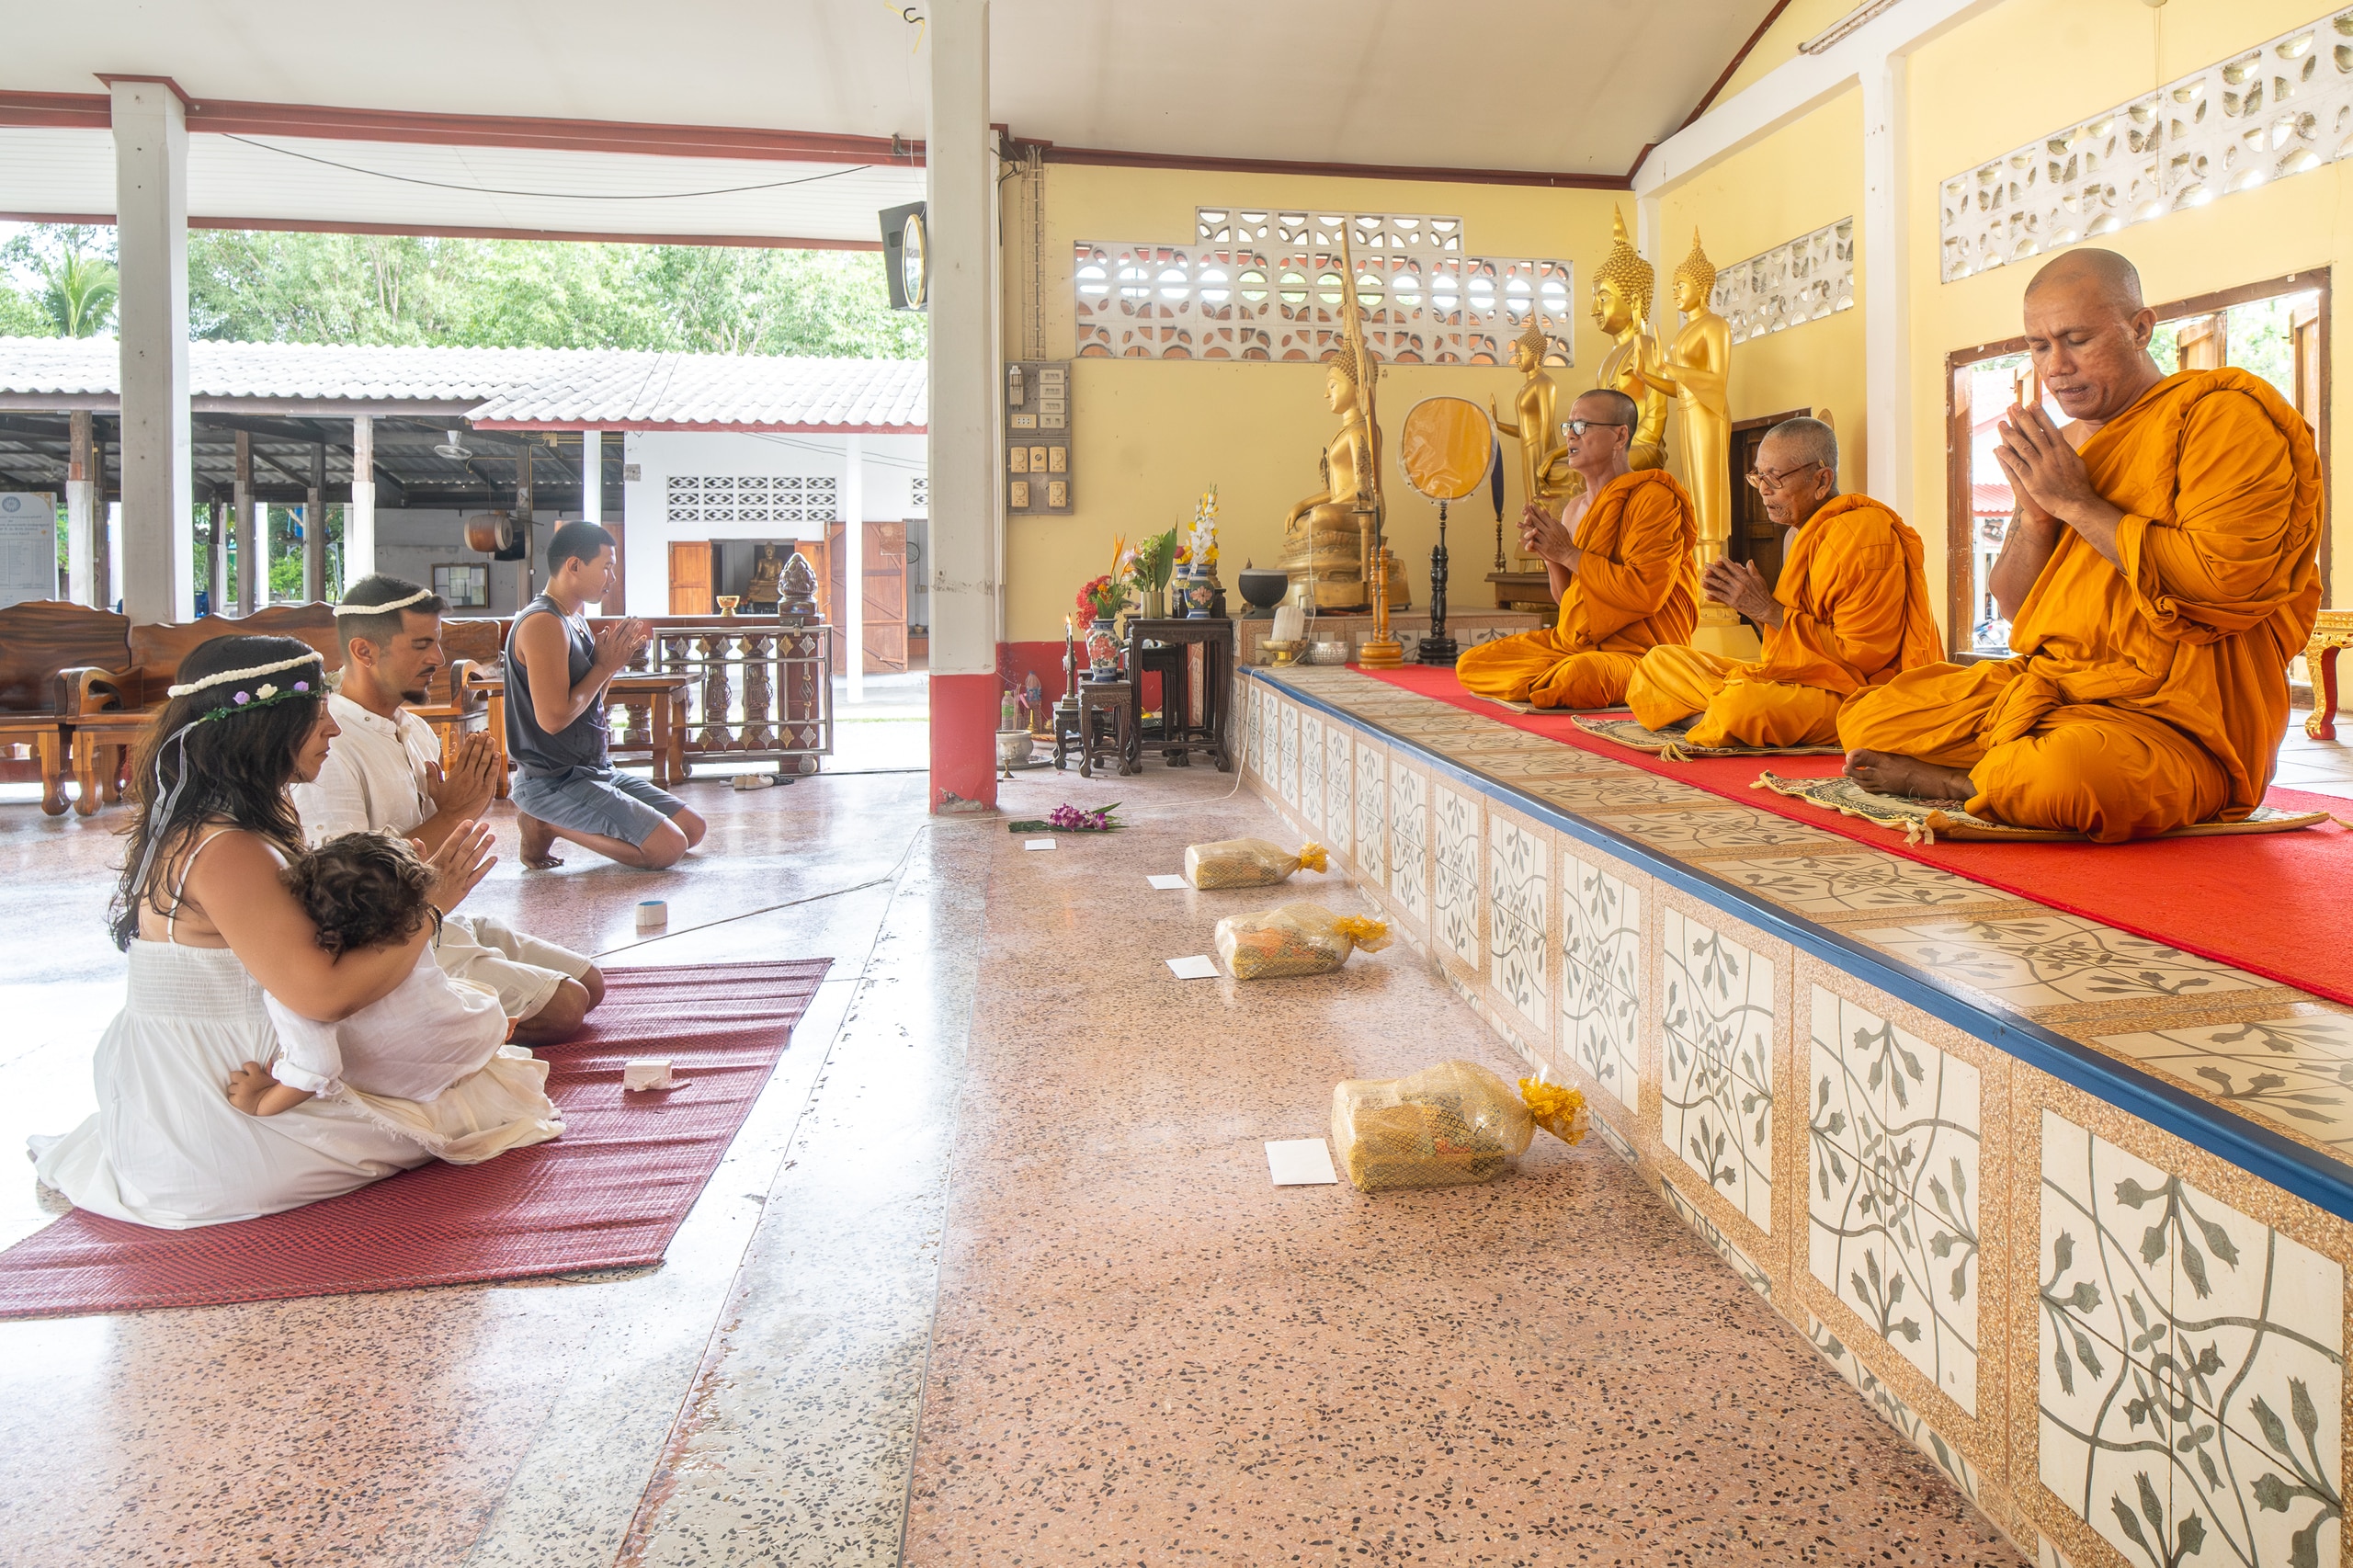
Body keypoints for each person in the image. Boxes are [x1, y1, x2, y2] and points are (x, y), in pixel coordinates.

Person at [1840, 248, 2323, 841]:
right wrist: (2038, 515)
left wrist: (2078, 503)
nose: (2056, 367)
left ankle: (1964, 783)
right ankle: (2006, 768)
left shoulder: (2221, 418)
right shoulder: (2061, 447)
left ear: (2140, 328)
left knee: (2066, 775)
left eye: (2076, 339)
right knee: (1870, 715)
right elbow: (2016, 605)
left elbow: (2222, 585)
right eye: (2039, 346)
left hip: (2174, 720)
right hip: (2054, 686)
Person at [28, 634, 499, 1228]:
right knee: (478, 1105)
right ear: (265, 729)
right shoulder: (225, 848)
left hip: (221, 1067)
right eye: (316, 716)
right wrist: (431, 906)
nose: (333, 729)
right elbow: (323, 996)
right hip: (217, 1108)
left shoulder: (230, 819)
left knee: (475, 1072)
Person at [292, 574, 604, 1042]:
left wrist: (456, 813)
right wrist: (452, 816)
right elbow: (342, 889)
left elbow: (430, 851)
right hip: (380, 941)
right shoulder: (331, 746)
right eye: (422, 645)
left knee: (590, 983)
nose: (438, 658)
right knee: (565, 1008)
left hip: (430, 914)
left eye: (437, 642)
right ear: (364, 651)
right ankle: (389, 1030)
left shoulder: (415, 730)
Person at [230, 833, 564, 1165]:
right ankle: (497, 1031)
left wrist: (260, 1102)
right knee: (467, 992)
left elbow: (318, 1066)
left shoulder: (295, 985)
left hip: (398, 1085)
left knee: (445, 995)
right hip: (466, 1046)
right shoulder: (403, 938)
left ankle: (492, 1031)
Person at [1624, 417, 1941, 748]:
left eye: (1774, 478)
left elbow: (1863, 660)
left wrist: (1766, 609)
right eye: (1758, 476)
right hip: (1800, 678)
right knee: (1658, 663)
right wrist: (1754, 609)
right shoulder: (1797, 535)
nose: (1763, 490)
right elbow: (1785, 646)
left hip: (1856, 692)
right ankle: (1715, 717)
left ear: (1821, 480)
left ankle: (1714, 716)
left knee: (1741, 705)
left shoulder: (1861, 535)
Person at [1453, 388, 1699, 710]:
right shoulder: (1573, 509)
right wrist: (1551, 556)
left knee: (1577, 676)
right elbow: (1571, 603)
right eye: (1568, 426)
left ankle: (1588, 680)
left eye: (1582, 426)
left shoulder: (1653, 498)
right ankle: (1553, 680)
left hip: (1642, 653)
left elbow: (1644, 593)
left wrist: (1569, 554)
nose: (1570, 435)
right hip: (1576, 646)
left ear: (1620, 436)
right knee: (1473, 663)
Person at [506, 521, 708, 870]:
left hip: (593, 770)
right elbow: (552, 719)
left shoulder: (574, 620)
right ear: (574, 565)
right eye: (607, 567)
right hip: (552, 780)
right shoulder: (543, 623)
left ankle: (554, 819)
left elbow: (590, 703)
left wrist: (610, 666)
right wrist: (603, 667)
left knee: (693, 829)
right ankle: (545, 823)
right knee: (667, 848)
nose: (612, 578)